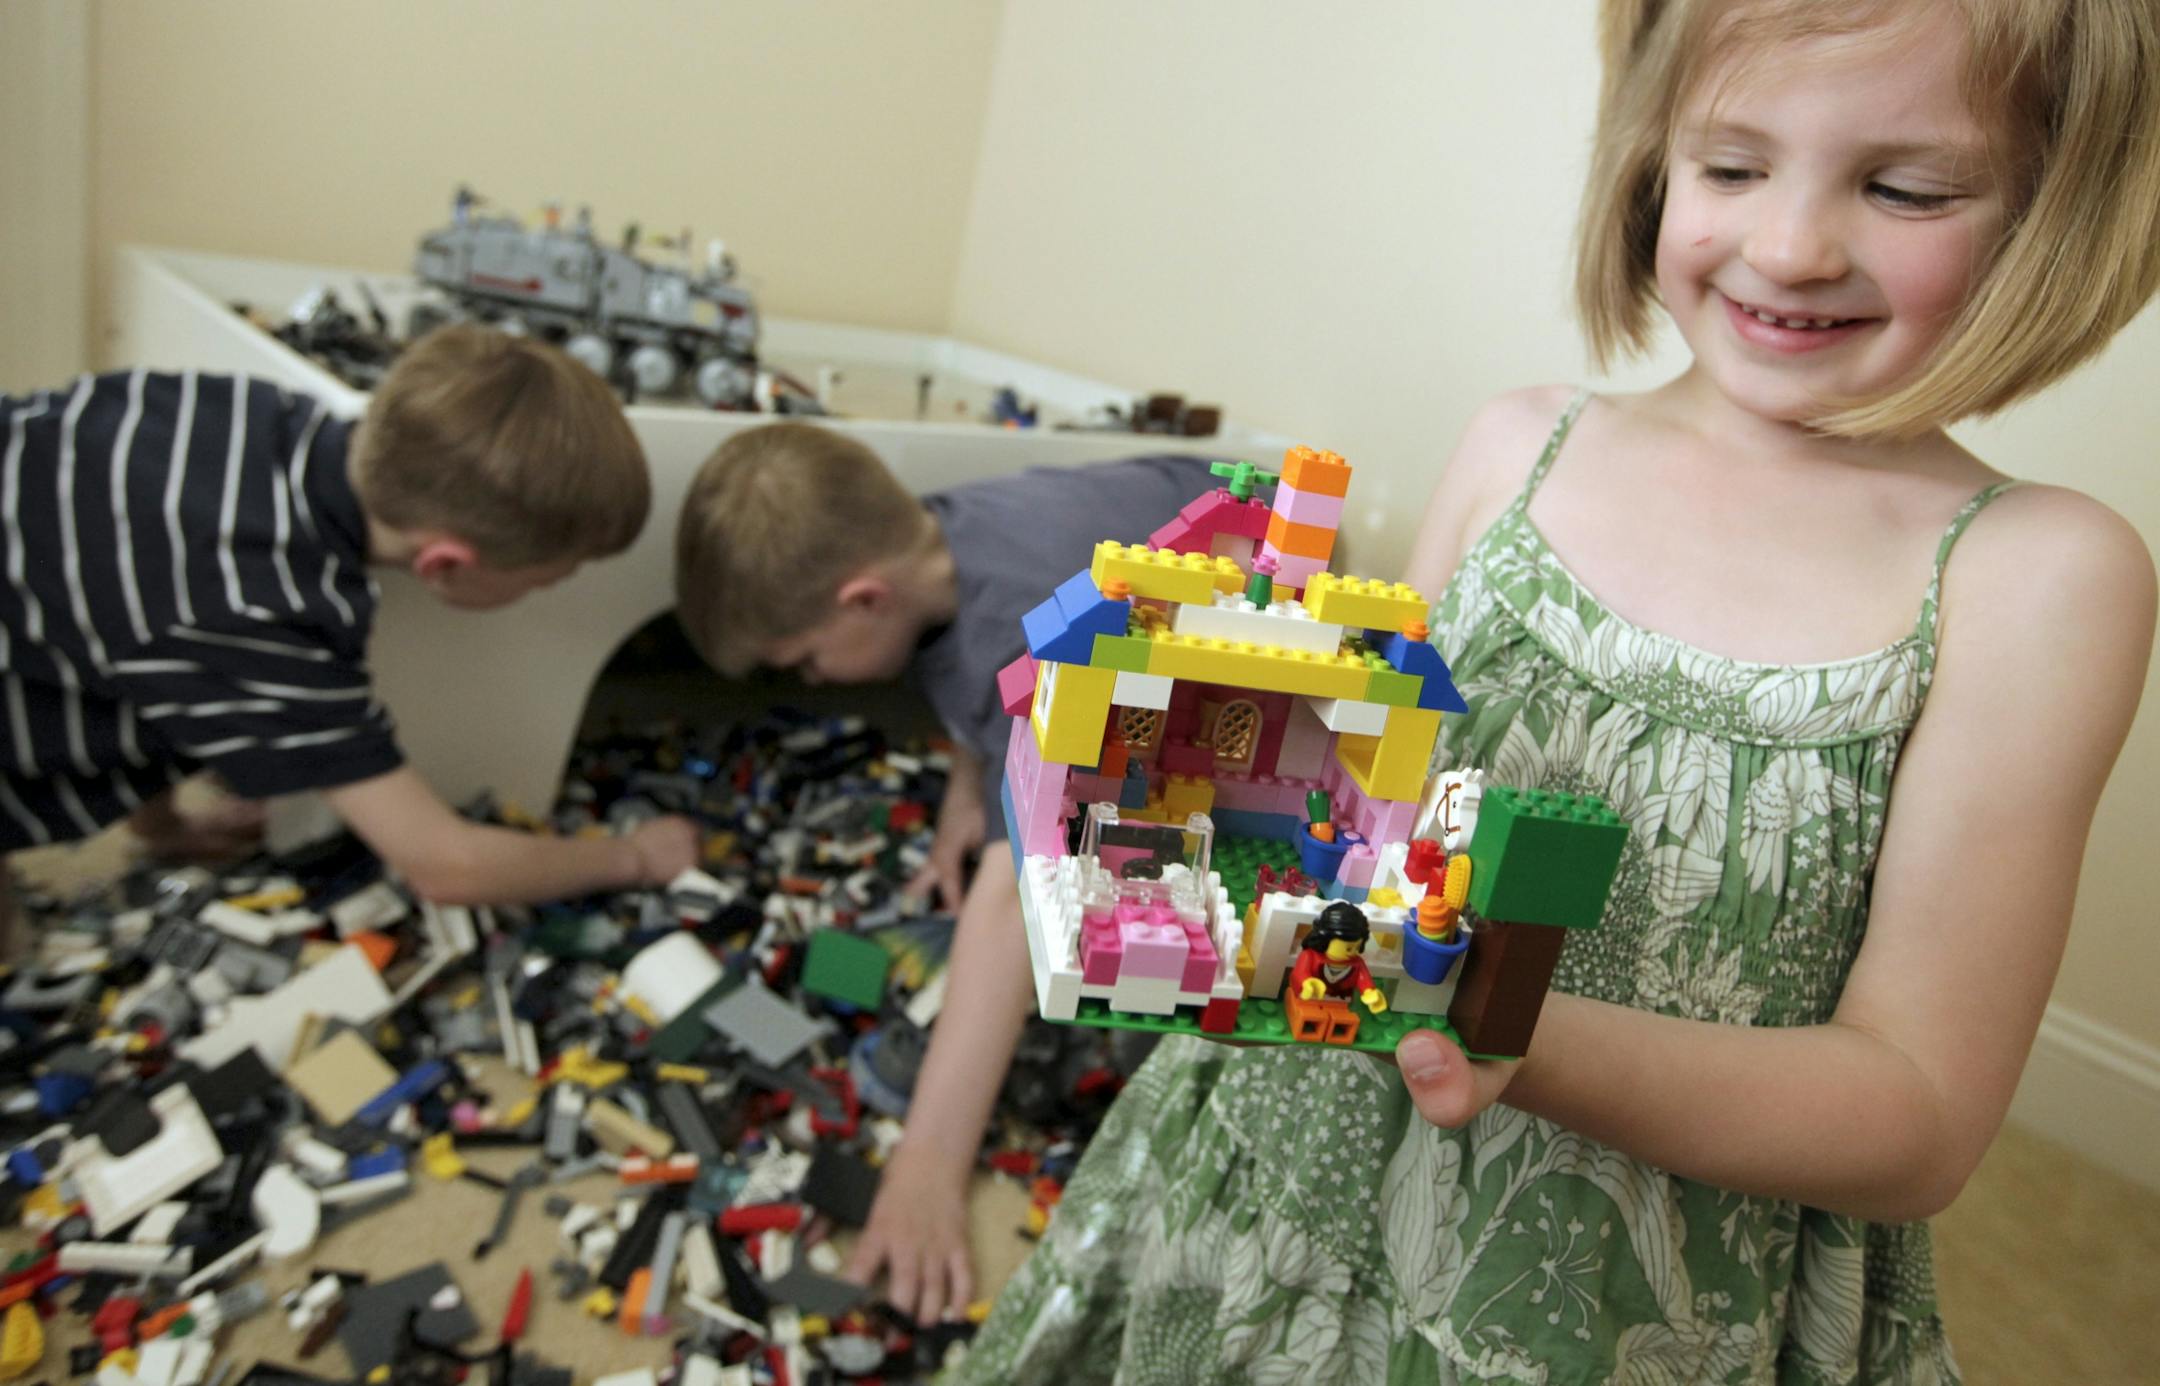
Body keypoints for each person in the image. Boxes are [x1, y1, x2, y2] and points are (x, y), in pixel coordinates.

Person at [948, 1, 2159, 1381]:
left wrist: (1506, 1025)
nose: (1789, 246)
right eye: (1731, 166)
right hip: (1274, 1170)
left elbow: (1919, 1115)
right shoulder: (1517, 444)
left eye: (1906, 190)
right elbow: (1365, 793)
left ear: (2053, 211)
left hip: (1586, 1309)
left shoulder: (2038, 578)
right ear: (1654, 160)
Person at [673, 420, 1223, 1321]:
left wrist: (927, 1163)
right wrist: (968, 792)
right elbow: (977, 681)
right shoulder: (937, 533)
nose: (812, 680)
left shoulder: (1035, 636)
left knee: (1116, 875)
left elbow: (1015, 901)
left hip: (1255, 622)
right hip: (1178, 506)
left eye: (805, 660)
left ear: (862, 599)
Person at [0, 325, 702, 955]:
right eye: (549, 580)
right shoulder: (271, 616)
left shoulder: (246, 409)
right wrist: (635, 858)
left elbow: (128, 626)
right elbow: (446, 864)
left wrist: (162, 825)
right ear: (446, 565)